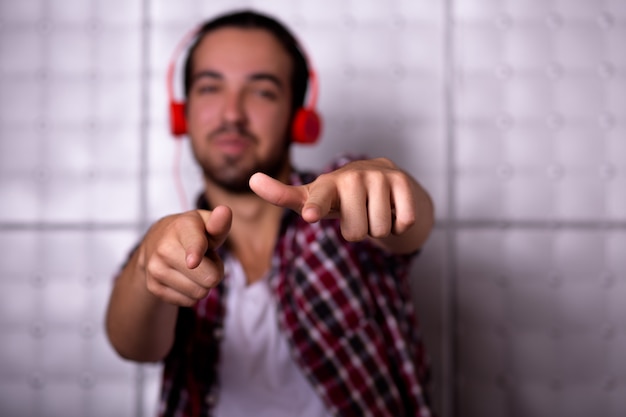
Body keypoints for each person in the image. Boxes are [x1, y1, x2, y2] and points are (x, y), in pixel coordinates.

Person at [105, 9, 435, 417]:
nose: (232, 114)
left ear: (300, 119)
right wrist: (144, 269)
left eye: (262, 91)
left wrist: (387, 186)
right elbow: (132, 346)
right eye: (210, 88)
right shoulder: (167, 247)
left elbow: (410, 222)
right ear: (182, 114)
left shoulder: (342, 207)